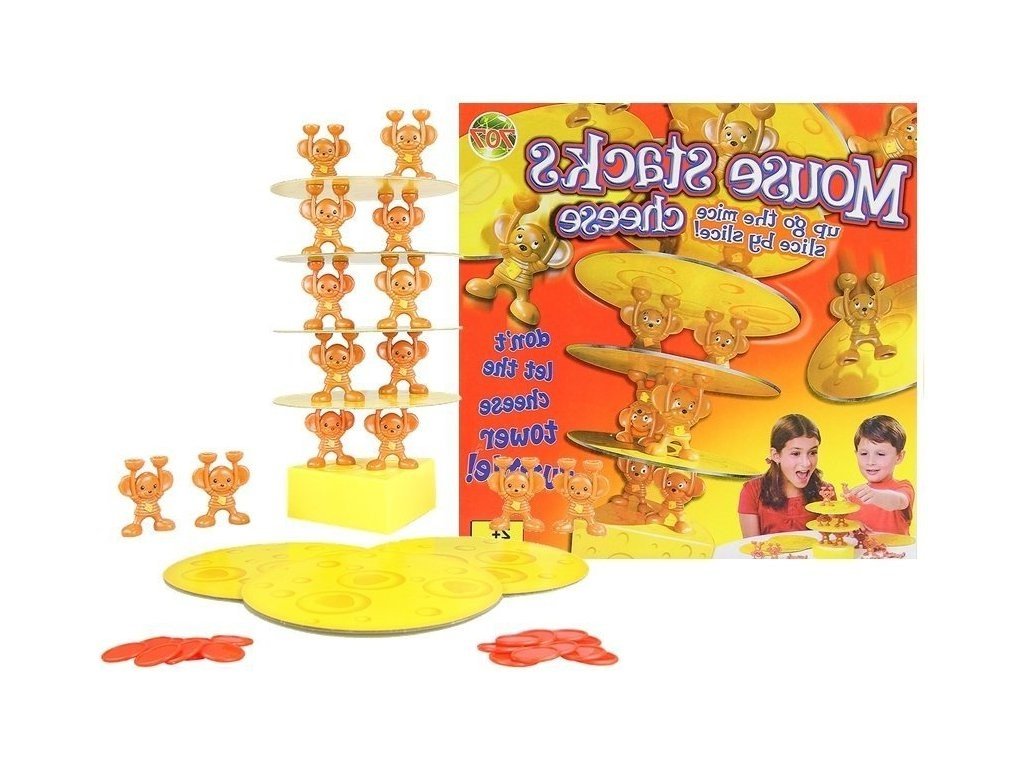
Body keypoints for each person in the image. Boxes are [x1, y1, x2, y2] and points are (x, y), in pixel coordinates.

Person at [738, 414, 824, 537]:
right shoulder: (752, 491)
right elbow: (752, 544)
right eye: (796, 453)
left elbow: (831, 542)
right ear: (776, 455)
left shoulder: (825, 493)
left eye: (813, 452)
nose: (807, 463)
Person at [846, 415, 914, 535]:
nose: (870, 461)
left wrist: (875, 495)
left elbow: (900, 501)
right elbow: (841, 528)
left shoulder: (903, 487)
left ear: (899, 457)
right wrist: (851, 526)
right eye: (864, 453)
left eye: (881, 454)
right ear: (856, 454)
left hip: (896, 547)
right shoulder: (854, 496)